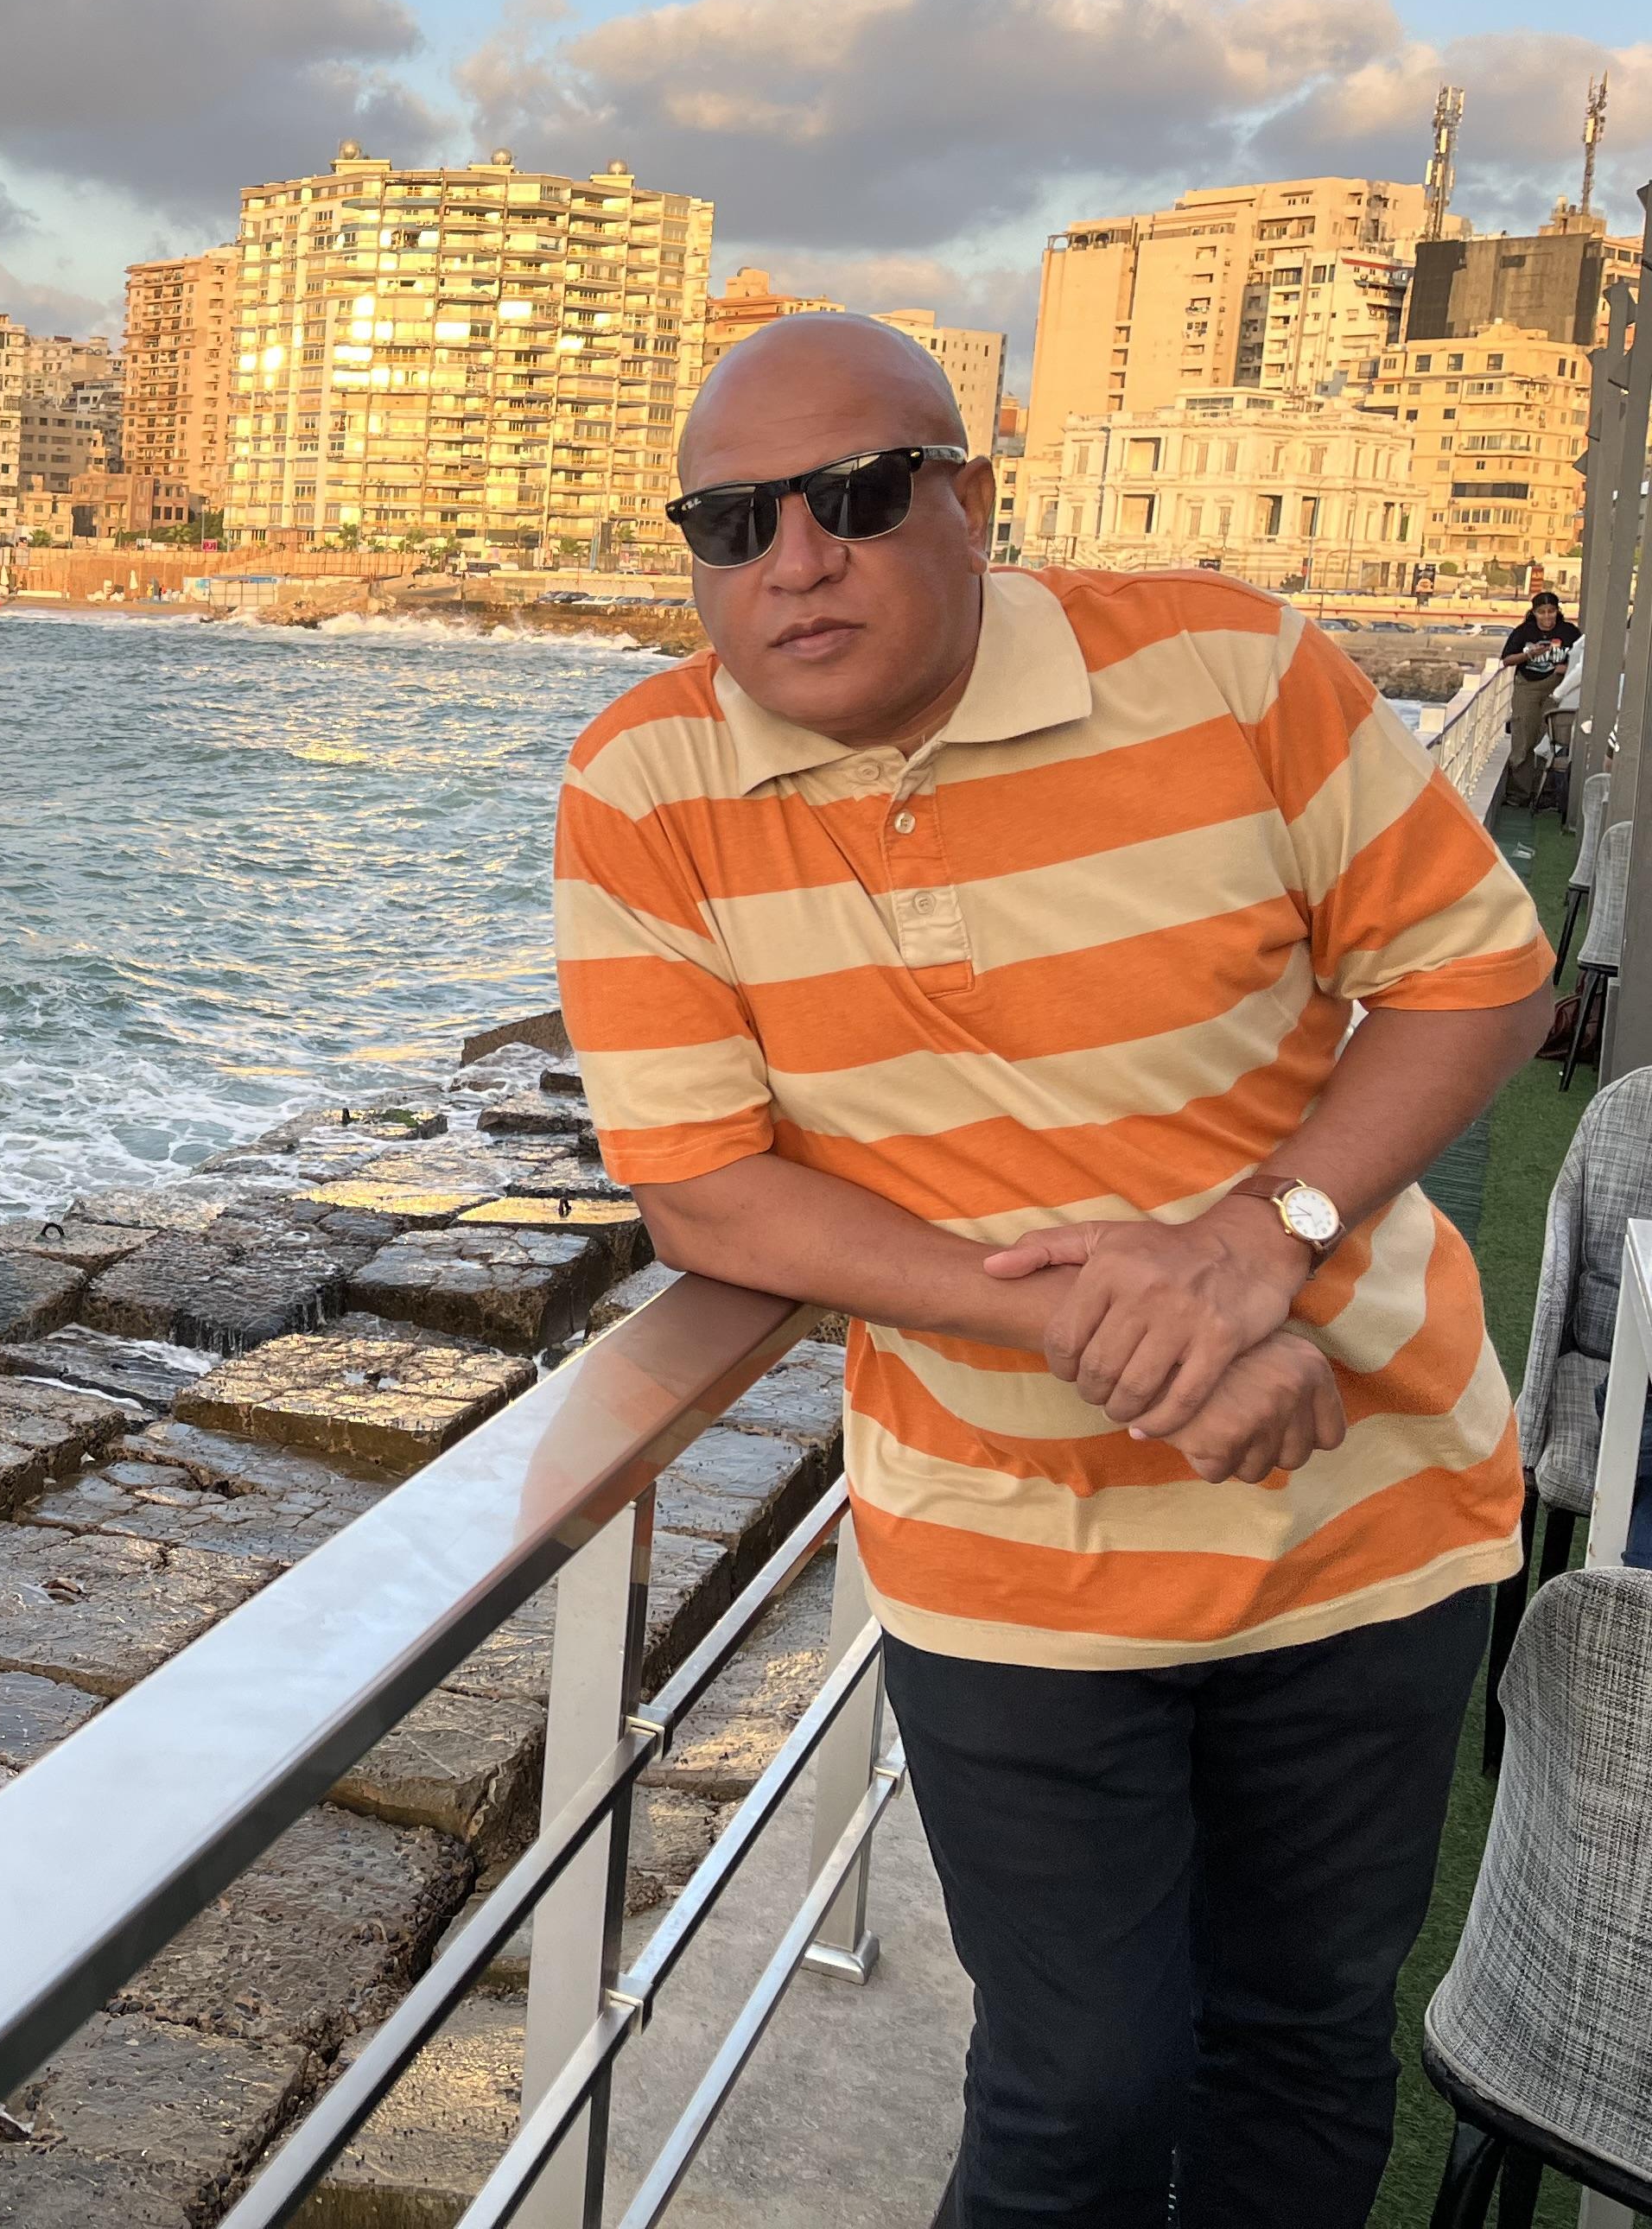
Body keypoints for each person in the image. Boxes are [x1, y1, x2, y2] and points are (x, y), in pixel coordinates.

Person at [552, 314, 1550, 2229]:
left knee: (1299, 2046)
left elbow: (1479, 971)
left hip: (1371, 1504)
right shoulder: (645, 782)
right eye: (731, 522)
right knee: (1077, 2089)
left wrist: (1255, 1243)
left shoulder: (1225, 664)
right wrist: (1156, 1326)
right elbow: (707, 1198)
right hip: (1005, 1550)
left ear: (973, 500)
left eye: (854, 496)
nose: (794, 560)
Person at [1499, 587, 1579, 809]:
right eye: (1541, 612)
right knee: (1523, 735)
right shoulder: (1524, 632)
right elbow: (1507, 660)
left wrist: (1566, 667)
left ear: (1557, 611)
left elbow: (1582, 658)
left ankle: (1543, 792)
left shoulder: (1569, 632)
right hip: (1527, 686)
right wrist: (1529, 655)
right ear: (1534, 613)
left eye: (1551, 611)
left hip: (1556, 686)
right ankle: (1519, 792)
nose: (1547, 617)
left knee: (1548, 738)